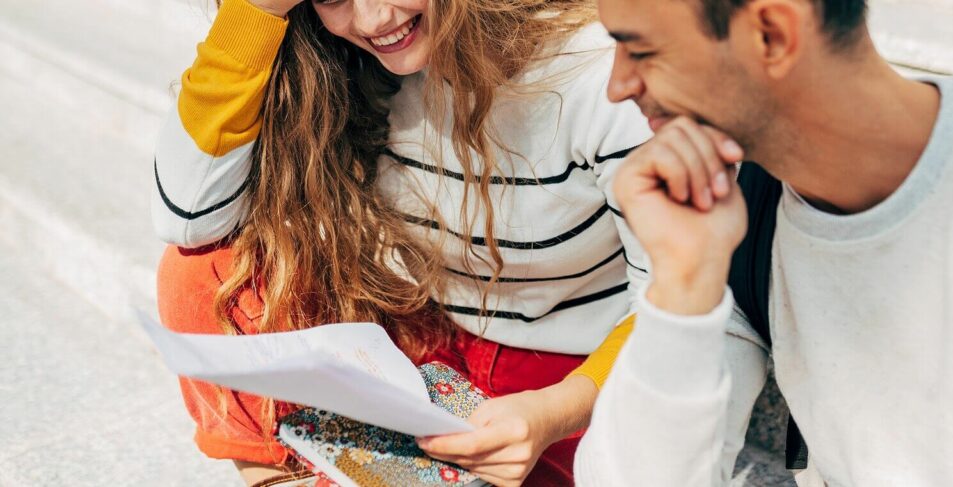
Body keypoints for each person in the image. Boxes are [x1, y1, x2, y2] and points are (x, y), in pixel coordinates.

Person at [148, 0, 710, 484]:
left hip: (576, 381)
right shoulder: (341, 59)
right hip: (425, 344)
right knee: (209, 271)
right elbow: (188, 216)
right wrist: (256, 12)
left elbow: (687, 301)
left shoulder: (604, 70)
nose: (374, 20)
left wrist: (558, 410)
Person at [576, 0, 953, 485]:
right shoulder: (741, 211)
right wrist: (683, 282)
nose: (618, 87)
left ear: (772, 34)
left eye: (641, 51)